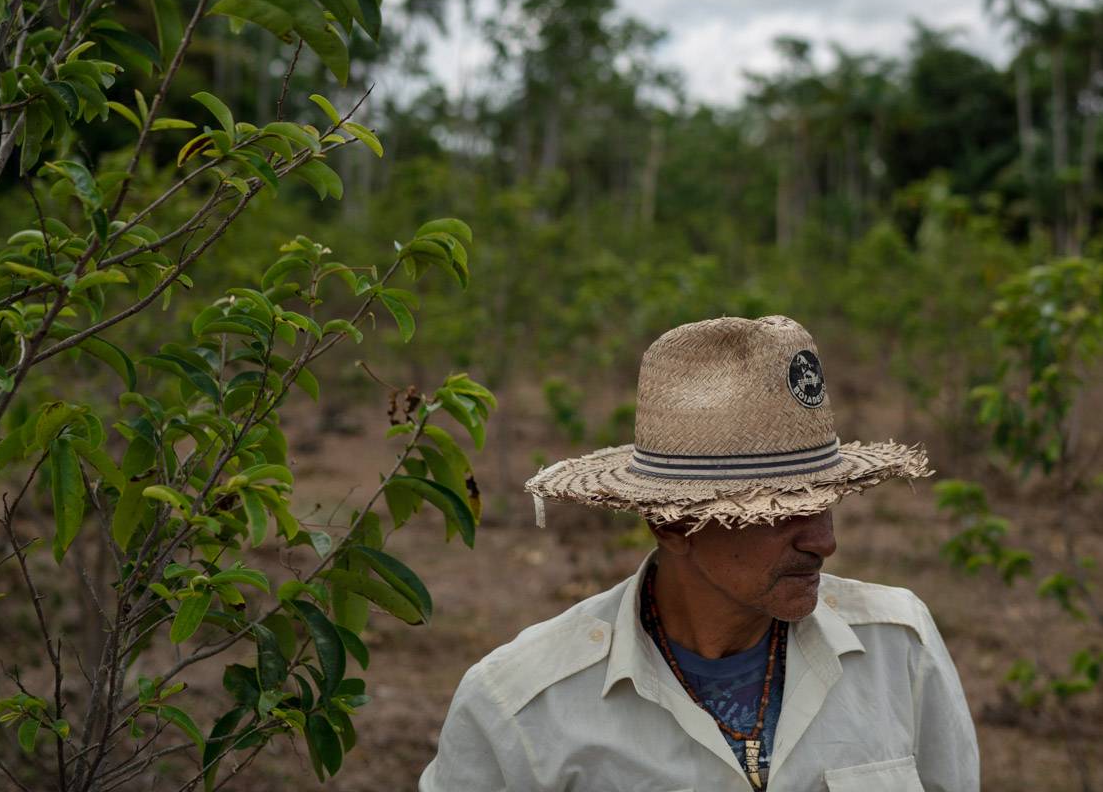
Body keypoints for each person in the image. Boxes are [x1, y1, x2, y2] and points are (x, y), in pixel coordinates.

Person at [420, 315, 979, 790]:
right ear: (670, 523)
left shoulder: (897, 649)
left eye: (826, 502)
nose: (824, 541)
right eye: (777, 512)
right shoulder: (523, 707)